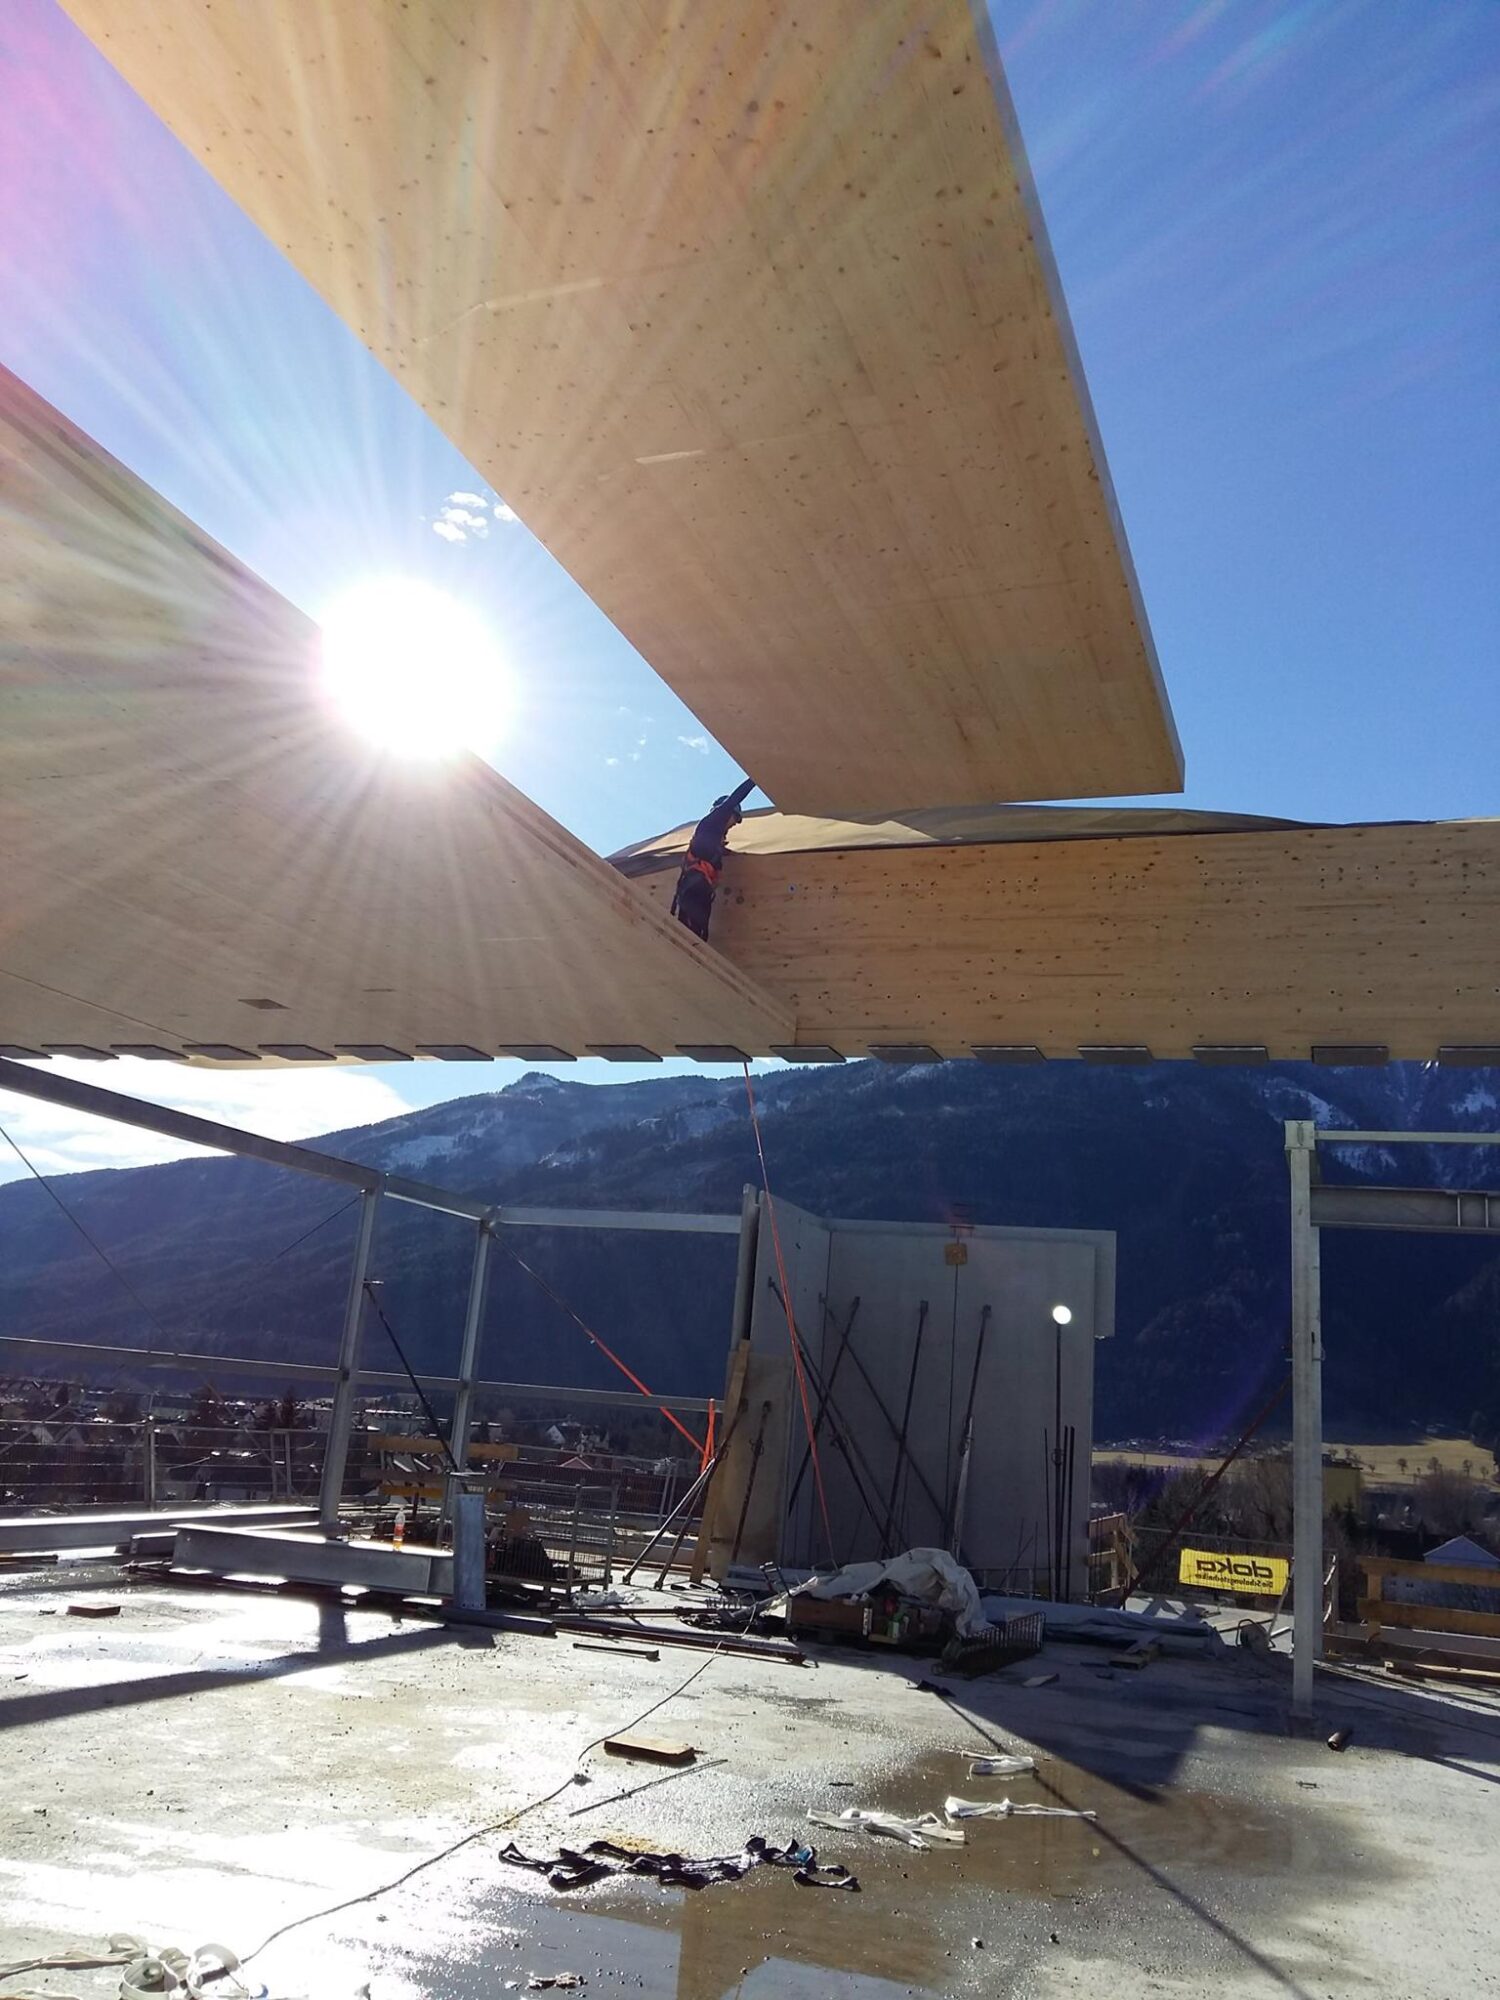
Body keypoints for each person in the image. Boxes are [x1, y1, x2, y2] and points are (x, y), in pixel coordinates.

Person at [670, 778, 755, 941]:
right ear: (726, 813)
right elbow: (734, 799)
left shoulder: (715, 839)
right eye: (734, 819)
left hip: (701, 890)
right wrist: (754, 780)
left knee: (698, 936)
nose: (734, 825)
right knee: (689, 934)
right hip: (693, 888)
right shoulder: (711, 823)